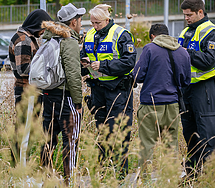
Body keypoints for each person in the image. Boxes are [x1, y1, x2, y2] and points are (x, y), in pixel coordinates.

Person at [80, 4, 137, 179]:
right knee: (102, 131)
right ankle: (104, 170)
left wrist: (103, 65)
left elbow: (129, 62)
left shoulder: (121, 35)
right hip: (98, 90)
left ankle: (119, 175)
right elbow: (83, 54)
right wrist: (84, 64)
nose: (94, 26)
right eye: (92, 23)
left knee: (118, 132)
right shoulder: (90, 34)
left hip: (118, 91)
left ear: (106, 20)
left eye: (97, 22)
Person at [134, 24, 191, 176]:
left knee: (146, 145)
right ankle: (170, 179)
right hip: (173, 105)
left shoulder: (149, 49)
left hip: (151, 105)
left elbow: (137, 76)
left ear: (153, 36)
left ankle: (145, 180)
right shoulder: (182, 51)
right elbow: (186, 81)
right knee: (171, 146)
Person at [39, 3, 85, 185]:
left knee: (48, 138)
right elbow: (73, 74)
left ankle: (45, 177)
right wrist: (78, 102)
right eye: (80, 19)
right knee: (70, 140)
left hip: (48, 95)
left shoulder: (49, 38)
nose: (81, 23)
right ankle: (69, 179)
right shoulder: (69, 41)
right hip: (65, 96)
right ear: (73, 22)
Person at [178, 0, 215, 177]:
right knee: (190, 134)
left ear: (200, 12)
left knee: (208, 133)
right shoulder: (186, 31)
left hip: (205, 90)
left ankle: (213, 176)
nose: (186, 18)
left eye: (189, 15)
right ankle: (193, 175)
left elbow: (207, 62)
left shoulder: (211, 31)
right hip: (187, 89)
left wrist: (184, 51)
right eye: (185, 15)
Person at [8, 9, 53, 166]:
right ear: (36, 25)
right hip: (27, 91)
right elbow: (23, 69)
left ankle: (20, 165)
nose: (43, 32)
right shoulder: (24, 40)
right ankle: (19, 167)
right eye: (43, 28)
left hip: (29, 90)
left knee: (26, 128)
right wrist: (46, 70)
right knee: (24, 130)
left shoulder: (28, 38)